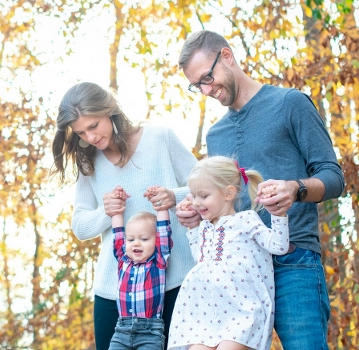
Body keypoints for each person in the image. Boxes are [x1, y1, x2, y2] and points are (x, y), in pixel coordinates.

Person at [175, 30, 345, 349]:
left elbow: (334, 178)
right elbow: (225, 206)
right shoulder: (216, 135)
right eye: (197, 85)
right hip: (235, 276)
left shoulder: (290, 103)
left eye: (207, 78)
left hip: (292, 262)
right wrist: (198, 215)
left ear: (227, 56)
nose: (206, 90)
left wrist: (295, 188)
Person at [51, 82, 197, 350]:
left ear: (109, 111)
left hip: (176, 283)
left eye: (94, 125)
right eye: (81, 132)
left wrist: (174, 196)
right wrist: (106, 212)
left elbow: (209, 188)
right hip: (115, 293)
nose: (90, 137)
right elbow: (80, 227)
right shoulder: (88, 162)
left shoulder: (161, 138)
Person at [168, 156, 290, 350]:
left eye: (203, 196)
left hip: (240, 311)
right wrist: (193, 229)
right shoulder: (205, 226)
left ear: (228, 193)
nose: (197, 203)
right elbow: (200, 259)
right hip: (204, 313)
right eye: (194, 196)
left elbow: (278, 246)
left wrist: (278, 215)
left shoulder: (246, 220)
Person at [108, 186, 173, 350]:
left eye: (143, 239)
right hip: (121, 330)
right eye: (131, 240)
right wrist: (117, 209)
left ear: (155, 241)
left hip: (150, 332)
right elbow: (117, 233)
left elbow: (164, 232)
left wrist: (161, 207)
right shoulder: (123, 260)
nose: (136, 243)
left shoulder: (158, 261)